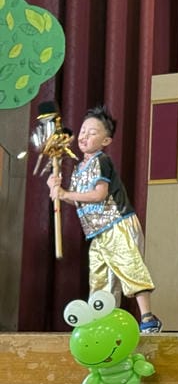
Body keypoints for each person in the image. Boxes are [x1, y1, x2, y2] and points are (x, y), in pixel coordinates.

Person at [47, 105, 162, 333]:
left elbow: (99, 195)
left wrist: (65, 194)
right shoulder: (79, 169)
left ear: (106, 141)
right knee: (100, 279)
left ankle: (148, 318)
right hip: (98, 231)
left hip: (117, 224)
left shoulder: (101, 161)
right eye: (82, 131)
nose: (84, 136)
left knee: (129, 267)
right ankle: (103, 323)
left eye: (92, 133)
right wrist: (56, 190)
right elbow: (80, 200)